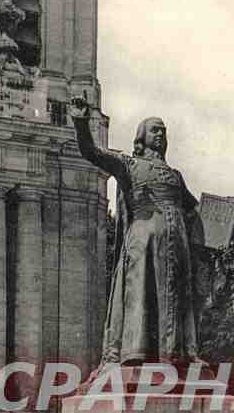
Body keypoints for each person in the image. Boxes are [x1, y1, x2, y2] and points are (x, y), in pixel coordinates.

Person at [68, 96, 210, 368]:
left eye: (164, 130)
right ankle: (137, 351)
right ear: (142, 136)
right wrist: (80, 121)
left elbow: (193, 208)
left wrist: (214, 229)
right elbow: (92, 152)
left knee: (178, 294)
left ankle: (181, 354)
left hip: (176, 240)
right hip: (144, 239)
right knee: (142, 291)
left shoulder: (175, 175)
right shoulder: (129, 165)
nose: (161, 134)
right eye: (155, 129)